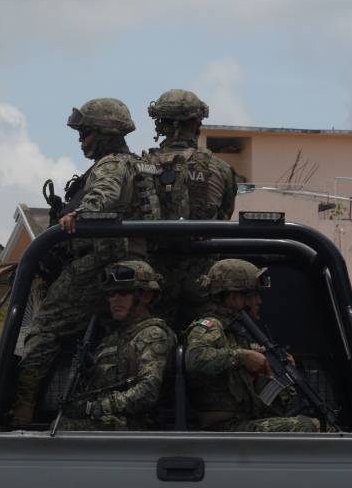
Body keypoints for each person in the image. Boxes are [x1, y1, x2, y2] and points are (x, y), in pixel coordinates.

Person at [10, 98, 162, 428]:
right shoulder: (142, 166)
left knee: (44, 329)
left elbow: (102, 198)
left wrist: (80, 214)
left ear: (106, 133)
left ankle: (21, 411)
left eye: (87, 133)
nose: (82, 140)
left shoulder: (110, 166)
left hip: (102, 263)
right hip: (136, 263)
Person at [184, 258, 320, 432]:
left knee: (314, 423)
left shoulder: (240, 333)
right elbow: (195, 358)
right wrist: (242, 357)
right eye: (254, 295)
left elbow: (269, 404)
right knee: (309, 426)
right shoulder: (212, 326)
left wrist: (278, 374)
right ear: (234, 298)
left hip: (242, 423)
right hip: (221, 428)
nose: (259, 301)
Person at [144, 89, 240, 326]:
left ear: (160, 125)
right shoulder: (221, 169)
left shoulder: (139, 166)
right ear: (196, 124)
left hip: (151, 282)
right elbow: (224, 216)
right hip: (203, 280)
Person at [58, 261, 174, 431]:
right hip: (112, 423)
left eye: (123, 292)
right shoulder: (111, 338)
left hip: (140, 426)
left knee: (66, 428)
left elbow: (147, 392)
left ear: (146, 296)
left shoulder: (152, 334)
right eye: (111, 294)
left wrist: (96, 407)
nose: (115, 299)